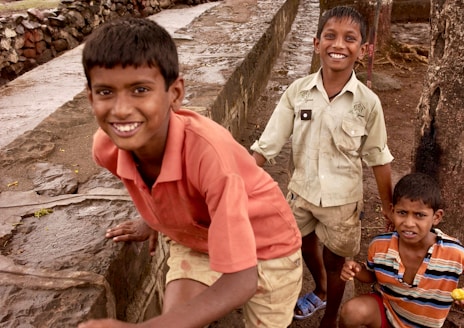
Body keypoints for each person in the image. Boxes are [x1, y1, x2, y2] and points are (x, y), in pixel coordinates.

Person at [77, 17, 303, 328]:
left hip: (267, 246)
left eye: (140, 89)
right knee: (177, 319)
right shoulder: (107, 148)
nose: (121, 109)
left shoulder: (209, 155)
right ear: (90, 97)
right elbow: (152, 186)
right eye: (105, 92)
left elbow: (242, 280)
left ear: (175, 93)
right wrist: (154, 219)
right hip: (198, 239)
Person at [250, 6, 393, 326]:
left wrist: (388, 205)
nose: (338, 45)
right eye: (330, 36)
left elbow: (377, 156)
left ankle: (329, 318)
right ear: (316, 43)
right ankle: (321, 290)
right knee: (299, 242)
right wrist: (239, 171)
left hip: (343, 202)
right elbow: (269, 142)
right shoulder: (298, 92)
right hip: (300, 191)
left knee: (336, 260)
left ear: (363, 49)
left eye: (349, 39)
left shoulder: (367, 103)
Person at [339, 172, 464, 328]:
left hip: (425, 325)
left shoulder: (453, 252)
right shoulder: (379, 245)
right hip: (387, 312)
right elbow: (371, 275)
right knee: (352, 311)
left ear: (436, 217)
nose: (409, 223)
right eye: (402, 213)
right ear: (392, 211)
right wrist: (356, 270)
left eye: (419, 215)